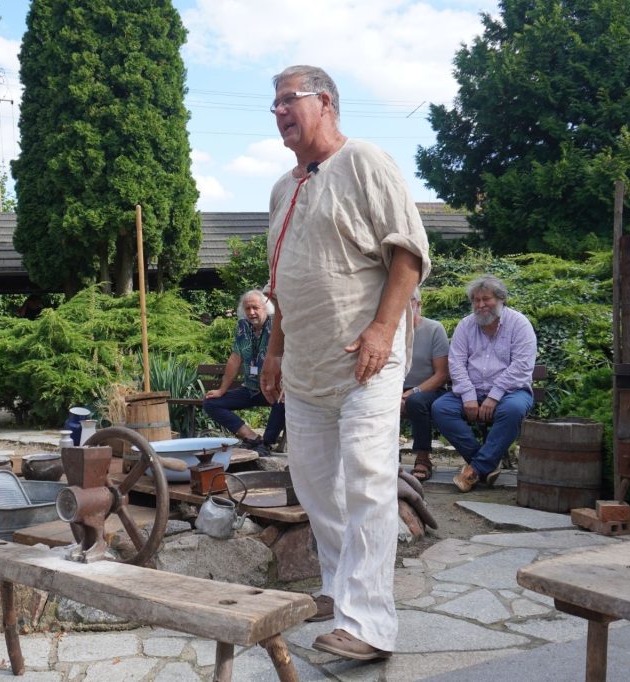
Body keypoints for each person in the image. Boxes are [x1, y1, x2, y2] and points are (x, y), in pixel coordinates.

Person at [259, 65, 429, 661]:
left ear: (325, 102)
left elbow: (408, 252)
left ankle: (370, 626)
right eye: (274, 104)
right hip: (305, 368)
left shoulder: (365, 161)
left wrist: (383, 329)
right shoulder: (282, 190)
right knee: (313, 484)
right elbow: (283, 283)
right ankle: (339, 589)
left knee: (367, 482)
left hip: (366, 362)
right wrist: (274, 351)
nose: (279, 111)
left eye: (289, 99)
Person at [431, 275, 537, 492]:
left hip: (511, 392)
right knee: (441, 408)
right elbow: (456, 363)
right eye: (476, 300)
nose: (480, 305)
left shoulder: (519, 324)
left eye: (486, 299)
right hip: (472, 391)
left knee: (513, 410)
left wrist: (494, 396)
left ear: (501, 299)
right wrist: (469, 396)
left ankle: (475, 469)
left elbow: (521, 366)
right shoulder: (465, 325)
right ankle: (486, 464)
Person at [202, 290, 285, 456]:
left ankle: (266, 444)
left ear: (266, 308)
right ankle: (252, 438)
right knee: (210, 403)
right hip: (250, 388)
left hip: (272, 387)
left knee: (284, 401)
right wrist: (221, 390)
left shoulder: (276, 325)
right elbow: (235, 358)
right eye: (247, 308)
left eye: (255, 307)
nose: (251, 312)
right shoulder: (243, 326)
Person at [402, 288, 449, 481]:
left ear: (418, 304)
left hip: (430, 390)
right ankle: (386, 459)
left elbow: (442, 375)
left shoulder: (434, 329)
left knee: (416, 401)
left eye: (409, 301)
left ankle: (423, 458)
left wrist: (411, 392)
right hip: (395, 389)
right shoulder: (391, 331)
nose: (404, 307)